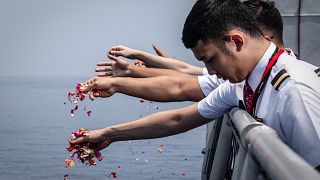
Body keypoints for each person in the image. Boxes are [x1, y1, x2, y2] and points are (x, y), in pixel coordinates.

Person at [71, 0, 320, 170]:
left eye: (210, 59)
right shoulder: (243, 82)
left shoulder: (292, 90)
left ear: (236, 41)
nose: (210, 71)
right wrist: (108, 134)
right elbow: (179, 118)